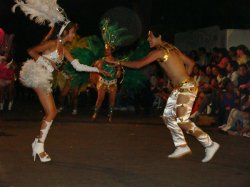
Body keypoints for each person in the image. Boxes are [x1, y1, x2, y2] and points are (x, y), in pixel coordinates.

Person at [13, 0, 109, 162]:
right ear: (65, 32)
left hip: (44, 78)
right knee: (52, 112)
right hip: (37, 75)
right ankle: (39, 145)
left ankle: (38, 143)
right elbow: (31, 51)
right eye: (72, 33)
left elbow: (77, 66)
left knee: (52, 112)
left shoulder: (63, 49)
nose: (74, 35)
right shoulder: (52, 44)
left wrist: (97, 70)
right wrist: (45, 63)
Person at [106, 30, 220, 163]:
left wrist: (119, 62)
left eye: (151, 37)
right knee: (167, 116)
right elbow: (191, 64)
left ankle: (210, 144)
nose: (148, 40)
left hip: (185, 88)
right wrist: (182, 79)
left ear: (159, 36)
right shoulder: (173, 49)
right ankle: (182, 146)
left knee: (183, 122)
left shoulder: (159, 52)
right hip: (182, 87)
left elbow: (138, 65)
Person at [91, 45, 122, 122]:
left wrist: (118, 72)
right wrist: (102, 71)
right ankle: (95, 113)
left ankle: (110, 115)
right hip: (103, 82)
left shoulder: (116, 61)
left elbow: (119, 70)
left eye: (108, 50)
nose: (106, 51)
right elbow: (97, 69)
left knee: (112, 100)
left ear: (111, 51)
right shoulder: (102, 60)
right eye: (105, 50)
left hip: (113, 83)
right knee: (100, 99)